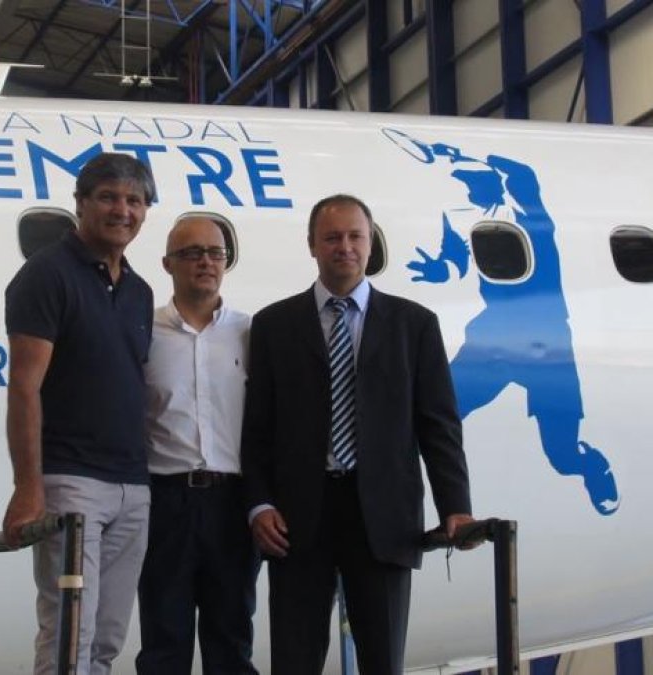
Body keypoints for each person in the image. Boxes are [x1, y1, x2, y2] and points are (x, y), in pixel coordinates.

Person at [241, 194, 474, 675]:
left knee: (383, 660)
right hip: (298, 519)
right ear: (312, 245)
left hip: (385, 517)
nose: (343, 247)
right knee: (294, 659)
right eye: (331, 237)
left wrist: (455, 505)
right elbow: (258, 426)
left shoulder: (415, 325)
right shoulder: (273, 325)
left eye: (354, 236)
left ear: (371, 244)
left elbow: (438, 426)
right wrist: (259, 503)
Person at [385, 130, 619, 515]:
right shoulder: (460, 218)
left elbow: (523, 174)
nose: (469, 190)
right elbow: (454, 262)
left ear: (494, 182)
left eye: (474, 182)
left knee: (561, 455)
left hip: (547, 343)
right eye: (465, 183)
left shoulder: (527, 213)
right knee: (431, 417)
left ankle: (590, 465)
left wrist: (461, 152)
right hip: (492, 337)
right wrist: (438, 270)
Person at [3, 152, 156, 675]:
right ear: (81, 203)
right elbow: (25, 386)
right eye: (108, 197)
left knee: (106, 640)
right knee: (70, 637)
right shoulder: (47, 275)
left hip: (132, 485)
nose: (122, 211)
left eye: (134, 200)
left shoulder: (139, 291)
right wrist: (28, 488)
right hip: (72, 480)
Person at [136, 216, 261, 675]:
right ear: (167, 264)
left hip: (233, 504)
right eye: (191, 253)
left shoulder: (251, 333)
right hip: (165, 502)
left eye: (215, 253)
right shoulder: (143, 334)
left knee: (231, 642)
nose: (205, 262)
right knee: (163, 643)